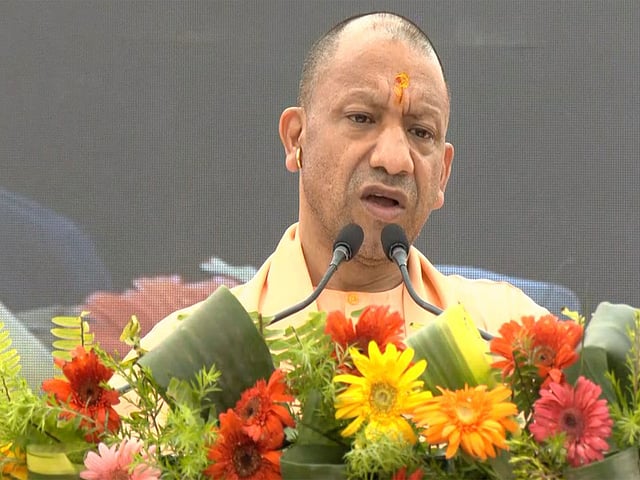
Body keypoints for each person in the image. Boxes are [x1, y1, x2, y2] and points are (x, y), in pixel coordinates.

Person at [137, 11, 547, 352]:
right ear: (297, 138)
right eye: (361, 118)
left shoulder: (514, 340)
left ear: (442, 173)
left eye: (421, 132)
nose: (394, 160)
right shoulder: (192, 355)